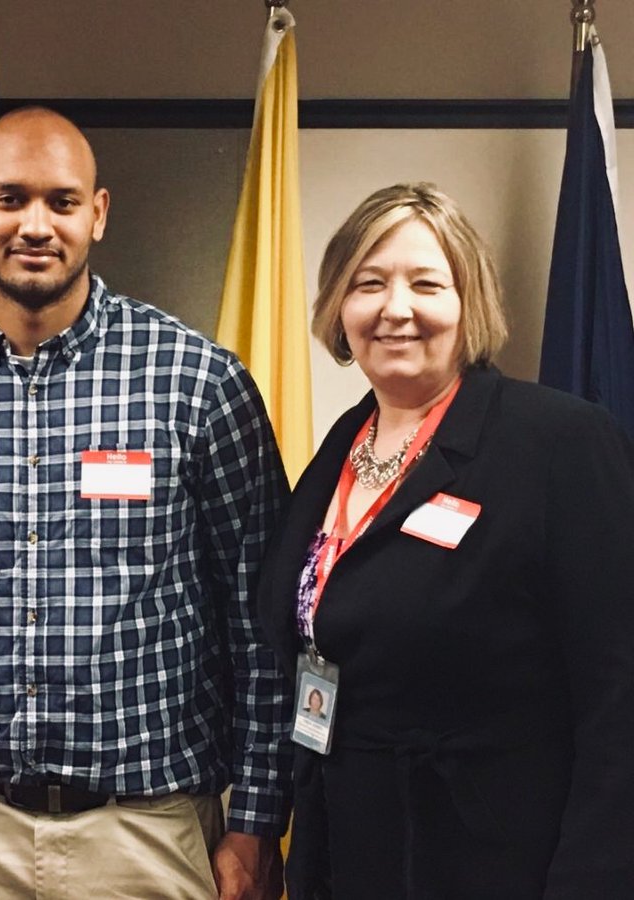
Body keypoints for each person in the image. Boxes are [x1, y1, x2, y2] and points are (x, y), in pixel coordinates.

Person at [0, 106, 291, 900]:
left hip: (147, 830)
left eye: (62, 202)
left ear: (98, 215)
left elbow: (261, 621)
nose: (35, 225)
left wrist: (252, 819)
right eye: (11, 199)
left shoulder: (199, 385)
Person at [255, 183, 634, 898]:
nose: (396, 308)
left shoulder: (559, 442)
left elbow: (620, 695)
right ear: (340, 306)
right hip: (351, 852)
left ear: (470, 301)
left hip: (498, 861)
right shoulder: (343, 445)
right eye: (369, 283)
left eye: (426, 282)